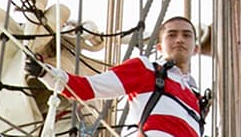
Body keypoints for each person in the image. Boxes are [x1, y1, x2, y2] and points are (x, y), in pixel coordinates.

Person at [27, 15, 208, 137]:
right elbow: (87, 88)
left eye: (186, 35)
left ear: (196, 48)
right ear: (159, 47)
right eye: (172, 35)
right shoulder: (145, 69)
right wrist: (44, 72)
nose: (179, 40)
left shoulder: (196, 97)